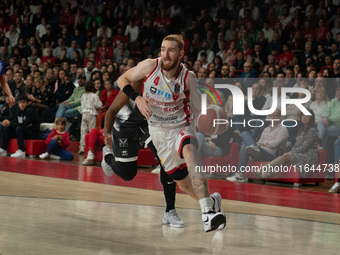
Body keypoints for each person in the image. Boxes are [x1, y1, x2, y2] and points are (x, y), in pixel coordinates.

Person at [105, 34, 226, 232]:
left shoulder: (189, 78)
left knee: (190, 154)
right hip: (158, 131)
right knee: (184, 184)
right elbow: (122, 79)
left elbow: (197, 107)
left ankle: (207, 213)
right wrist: (138, 99)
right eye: (163, 49)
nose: (166, 55)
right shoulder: (150, 66)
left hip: (180, 127)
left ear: (181, 53)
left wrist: (212, 116)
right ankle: (212, 201)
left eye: (170, 50)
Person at [227, 108, 289, 183]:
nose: (272, 118)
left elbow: (275, 144)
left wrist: (264, 143)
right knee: (244, 134)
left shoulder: (283, 129)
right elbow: (259, 142)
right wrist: (256, 146)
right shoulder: (266, 129)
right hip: (259, 150)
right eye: (270, 116)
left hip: (270, 153)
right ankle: (241, 174)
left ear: (279, 116)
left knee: (245, 146)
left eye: (274, 116)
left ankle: (241, 174)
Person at [259, 110, 319, 180]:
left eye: (307, 116)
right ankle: (264, 176)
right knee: (285, 157)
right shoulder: (301, 129)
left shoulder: (312, 130)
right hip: (300, 153)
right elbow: (296, 145)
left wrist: (292, 152)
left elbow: (305, 147)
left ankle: (262, 171)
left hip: (308, 155)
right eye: (303, 115)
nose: (304, 118)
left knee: (286, 156)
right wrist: (292, 151)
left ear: (311, 118)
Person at [79, 81, 102, 154]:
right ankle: (90, 148)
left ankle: (82, 147)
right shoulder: (94, 96)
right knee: (91, 131)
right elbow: (98, 105)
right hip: (91, 114)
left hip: (84, 114)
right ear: (93, 88)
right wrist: (100, 107)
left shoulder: (83, 95)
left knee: (83, 131)